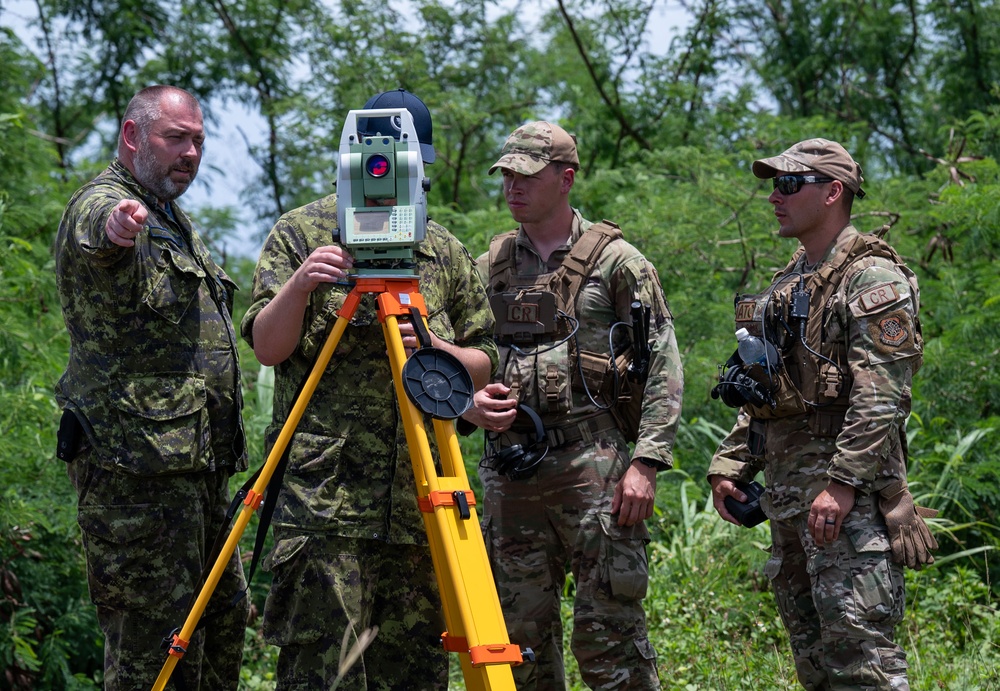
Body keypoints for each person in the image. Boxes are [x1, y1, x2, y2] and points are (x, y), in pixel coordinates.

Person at [241, 88, 499, 689]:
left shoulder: (443, 251)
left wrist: (434, 348)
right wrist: (302, 287)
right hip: (325, 503)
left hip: (422, 503)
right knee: (323, 674)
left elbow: (484, 360)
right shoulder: (302, 233)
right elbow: (266, 347)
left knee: (415, 674)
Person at [707, 138, 936, 690]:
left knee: (864, 667)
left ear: (833, 192)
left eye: (789, 185)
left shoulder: (871, 278)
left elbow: (881, 397)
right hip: (792, 504)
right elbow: (768, 387)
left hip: (846, 508)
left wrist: (841, 484)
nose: (774, 198)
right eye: (773, 185)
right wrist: (732, 464)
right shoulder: (789, 282)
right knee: (816, 669)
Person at [462, 121, 684, 689]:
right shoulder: (488, 267)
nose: (513, 186)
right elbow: (461, 355)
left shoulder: (618, 263)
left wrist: (647, 462)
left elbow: (662, 362)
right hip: (511, 472)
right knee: (518, 642)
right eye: (507, 175)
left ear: (566, 178)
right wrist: (468, 405)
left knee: (609, 636)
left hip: (595, 468)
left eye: (527, 175)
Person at [53, 85, 249, 689]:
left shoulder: (171, 217)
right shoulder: (111, 203)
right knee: (153, 655)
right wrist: (117, 229)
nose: (191, 153)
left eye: (198, 141)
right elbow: (100, 232)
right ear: (133, 137)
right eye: (175, 138)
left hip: (194, 470)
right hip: (136, 477)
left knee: (221, 627)